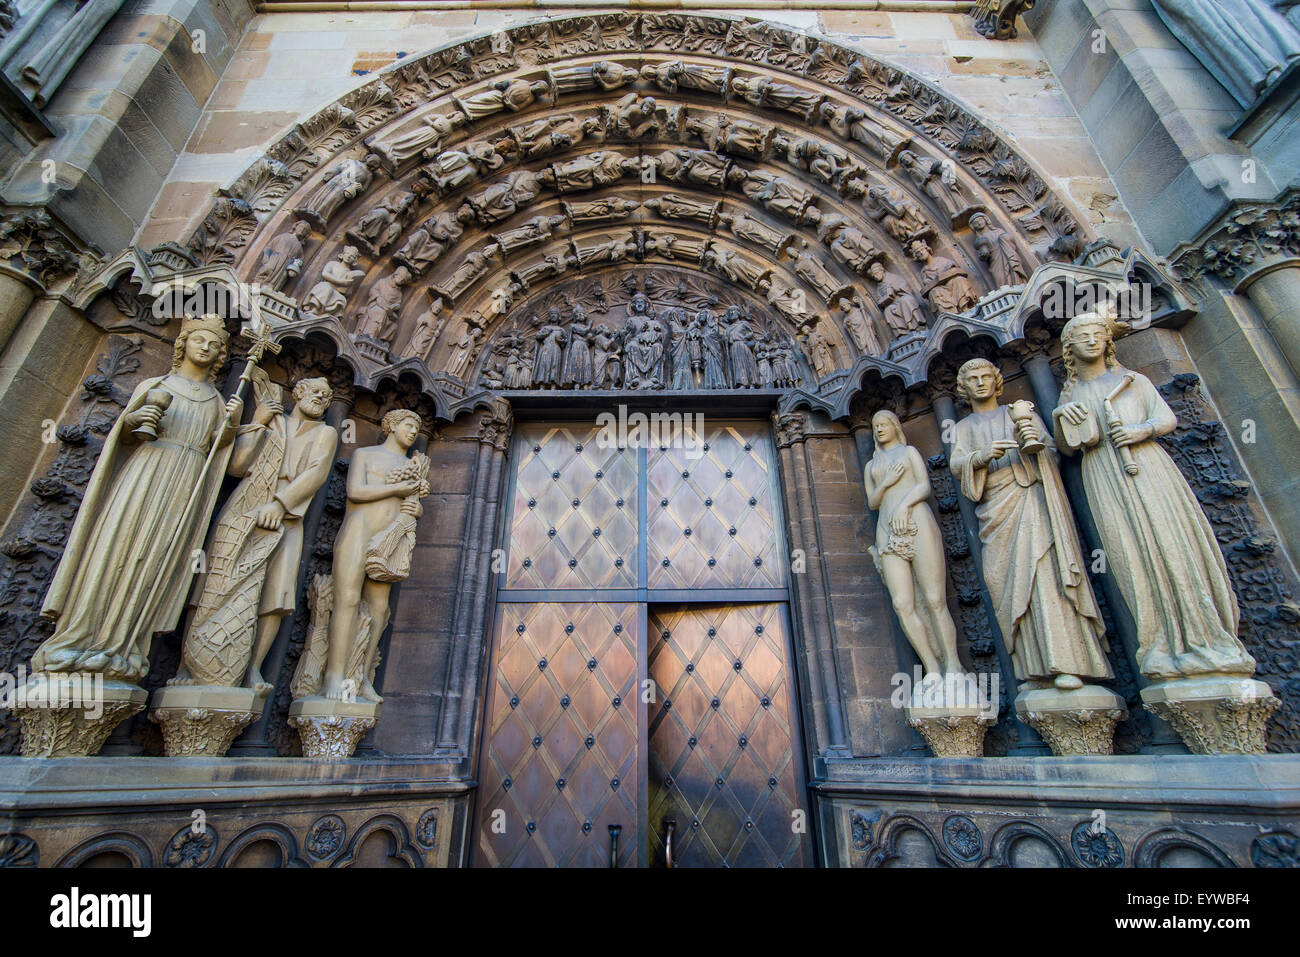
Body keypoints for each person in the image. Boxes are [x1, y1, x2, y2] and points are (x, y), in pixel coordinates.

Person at [32, 316, 242, 683]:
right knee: (115, 547)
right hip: (145, 476)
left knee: (158, 558)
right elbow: (124, 438)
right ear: (183, 344)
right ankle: (82, 634)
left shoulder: (216, 400)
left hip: (184, 484)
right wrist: (134, 421)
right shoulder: (155, 383)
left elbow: (216, 450)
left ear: (222, 354)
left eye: (213, 343)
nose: (205, 347)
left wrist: (231, 425)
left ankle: (126, 642)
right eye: (199, 340)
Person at [863, 410, 961, 677]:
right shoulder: (871, 466)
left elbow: (924, 486)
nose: (880, 429)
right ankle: (932, 669)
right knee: (903, 603)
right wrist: (886, 483)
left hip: (917, 522)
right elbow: (872, 502)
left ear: (895, 426)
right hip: (887, 530)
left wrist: (905, 505)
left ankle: (953, 665)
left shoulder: (908, 453)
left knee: (933, 598)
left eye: (884, 424)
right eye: (875, 426)